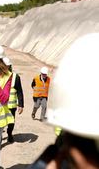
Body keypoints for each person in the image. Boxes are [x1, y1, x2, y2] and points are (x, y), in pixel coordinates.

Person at [29, 33, 99, 169]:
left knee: (43, 108)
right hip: (37, 97)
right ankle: (34, 113)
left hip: (44, 98)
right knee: (37, 107)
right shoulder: (37, 78)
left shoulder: (49, 79)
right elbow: (33, 84)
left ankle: (41, 116)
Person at [3, 57, 24, 143]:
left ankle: (9, 134)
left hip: (11, 105)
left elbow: (19, 91)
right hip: (0, 105)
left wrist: (21, 105)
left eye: (7, 66)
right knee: (0, 122)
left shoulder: (16, 77)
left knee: (11, 122)